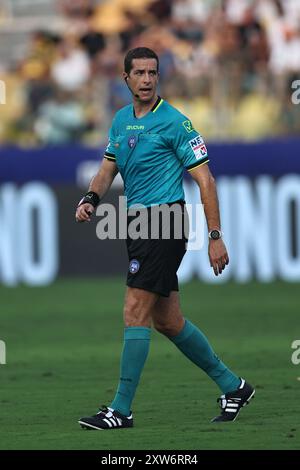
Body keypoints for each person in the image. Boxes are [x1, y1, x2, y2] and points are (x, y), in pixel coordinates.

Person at [75, 47, 255, 430]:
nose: (145, 79)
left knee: (133, 310)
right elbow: (108, 168)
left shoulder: (176, 122)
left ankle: (120, 410)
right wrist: (91, 197)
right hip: (139, 226)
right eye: (138, 72)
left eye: (152, 72)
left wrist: (216, 236)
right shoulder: (121, 120)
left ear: (159, 77)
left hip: (165, 223)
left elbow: (205, 179)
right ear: (125, 78)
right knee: (169, 321)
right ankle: (233, 385)